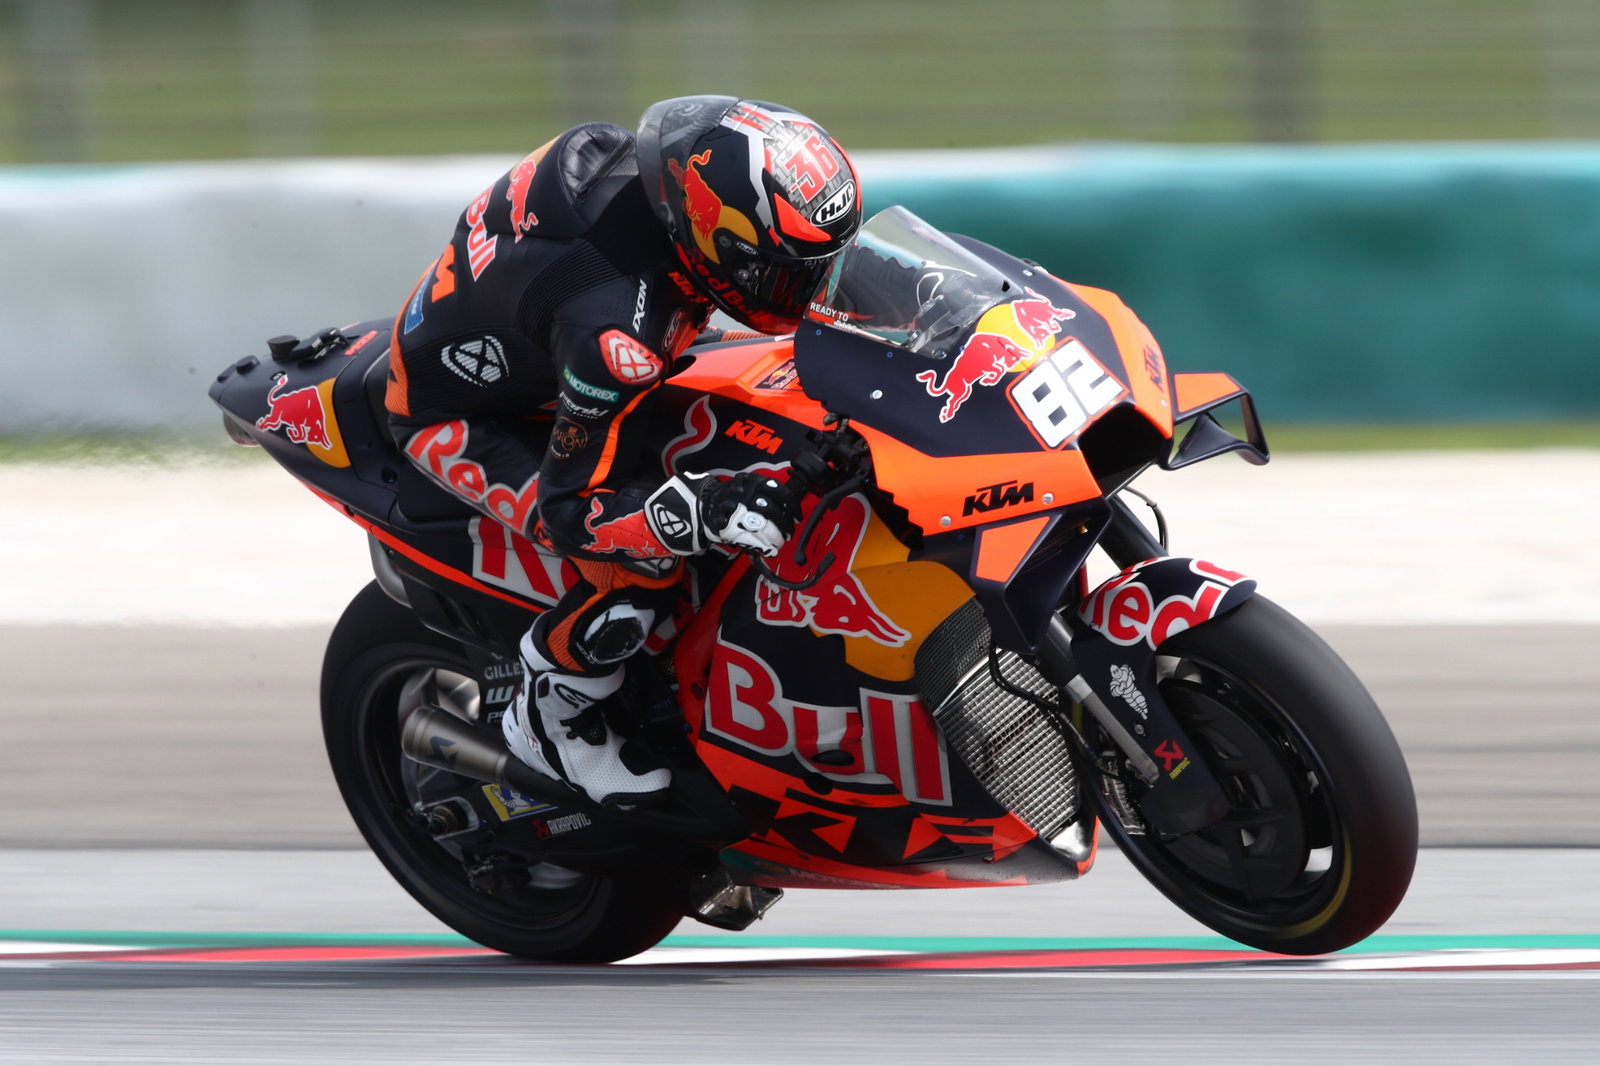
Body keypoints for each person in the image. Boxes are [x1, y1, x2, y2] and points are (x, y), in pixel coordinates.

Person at [384, 96, 862, 806]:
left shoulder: (647, 170)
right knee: (642, 561)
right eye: (781, 272)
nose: (805, 291)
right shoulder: (618, 337)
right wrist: (704, 507)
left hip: (549, 348)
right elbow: (575, 509)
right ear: (707, 236)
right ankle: (547, 720)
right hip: (468, 418)